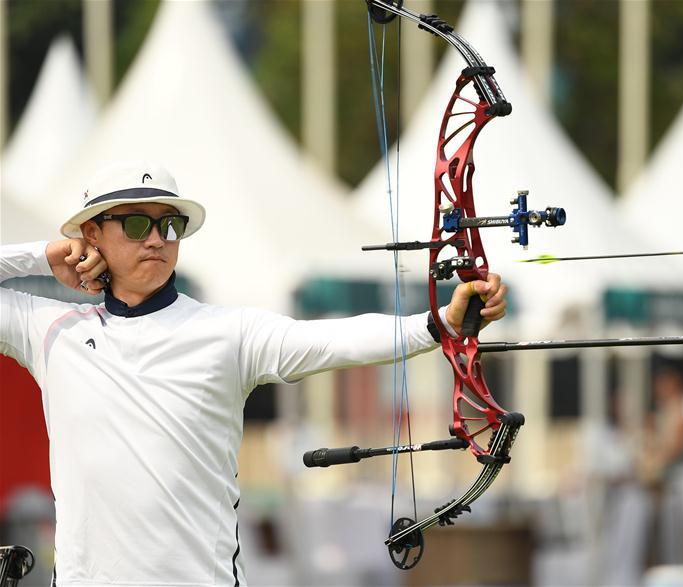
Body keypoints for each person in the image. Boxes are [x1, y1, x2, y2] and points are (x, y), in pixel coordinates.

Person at [0, 161, 508, 586]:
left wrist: (439, 322)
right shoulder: (52, 330)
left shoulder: (227, 332)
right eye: (136, 225)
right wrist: (44, 255)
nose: (156, 239)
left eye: (169, 225)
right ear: (93, 235)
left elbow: (331, 340)